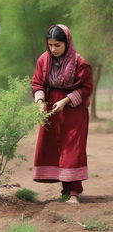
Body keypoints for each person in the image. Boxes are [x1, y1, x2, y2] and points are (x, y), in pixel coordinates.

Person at [31, 24, 93, 204]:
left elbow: (86, 88)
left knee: (73, 149)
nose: (53, 49)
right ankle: (65, 191)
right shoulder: (44, 59)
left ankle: (74, 192)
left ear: (67, 43)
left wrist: (65, 101)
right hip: (51, 110)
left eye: (57, 45)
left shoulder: (80, 63)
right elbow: (37, 83)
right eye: (50, 45)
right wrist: (40, 102)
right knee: (53, 148)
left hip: (73, 112)